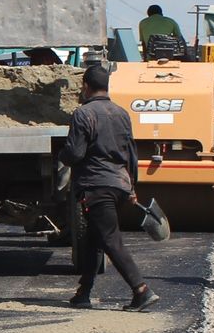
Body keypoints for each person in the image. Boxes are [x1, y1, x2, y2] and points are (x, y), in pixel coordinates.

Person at [62, 63, 158, 311]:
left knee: (110, 239)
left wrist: (61, 156)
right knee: (94, 239)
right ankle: (83, 293)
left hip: (96, 184)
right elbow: (131, 154)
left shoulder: (84, 114)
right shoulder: (121, 113)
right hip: (118, 183)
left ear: (85, 86)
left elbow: (75, 152)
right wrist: (131, 187)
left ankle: (141, 290)